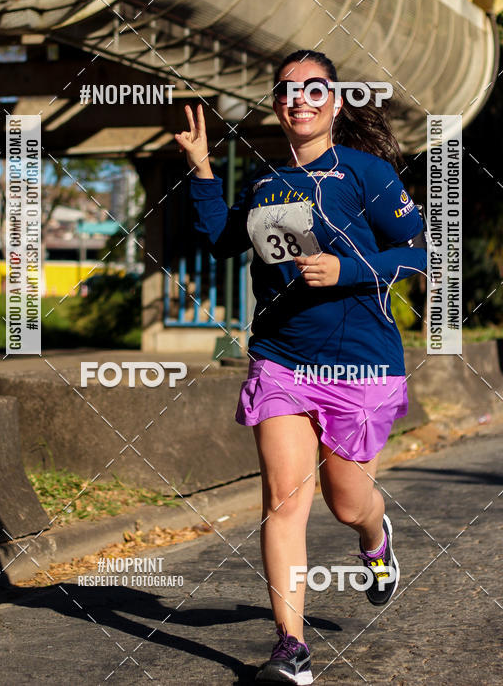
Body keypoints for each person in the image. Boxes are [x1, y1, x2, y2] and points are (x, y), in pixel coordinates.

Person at [174, 50, 427, 685]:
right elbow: (223, 238)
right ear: (278, 104)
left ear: (336, 102)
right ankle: (291, 646)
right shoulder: (266, 184)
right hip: (281, 358)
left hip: (361, 364)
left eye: (316, 89)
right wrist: (200, 167)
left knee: (347, 503)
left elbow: (421, 250)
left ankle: (375, 538)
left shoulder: (366, 174)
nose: (301, 99)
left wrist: (350, 270)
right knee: (284, 501)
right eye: (289, 90)